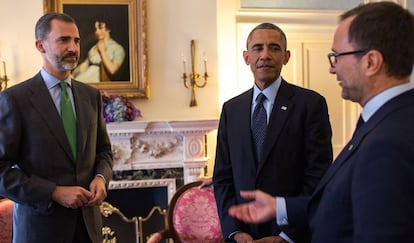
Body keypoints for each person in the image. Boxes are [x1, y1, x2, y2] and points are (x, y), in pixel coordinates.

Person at [228, 2, 414, 242]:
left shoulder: (389, 141)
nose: (332, 69)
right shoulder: (384, 120)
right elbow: (341, 200)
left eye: (337, 56)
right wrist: (281, 207)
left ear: (371, 62)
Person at [213, 22, 333, 242]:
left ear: (286, 56)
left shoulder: (311, 104)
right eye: (258, 48)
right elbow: (222, 177)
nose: (265, 55)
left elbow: (318, 178)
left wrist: (287, 236)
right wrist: (234, 232)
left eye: (274, 48)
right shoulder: (231, 109)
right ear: (246, 56)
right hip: (242, 236)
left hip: (292, 235)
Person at [0, 12, 113, 243]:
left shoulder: (91, 96)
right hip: (40, 230)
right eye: (63, 40)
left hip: (88, 230)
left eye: (77, 40)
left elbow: (104, 151)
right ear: (40, 45)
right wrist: (52, 192)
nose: (73, 47)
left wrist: (101, 177)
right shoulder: (14, 99)